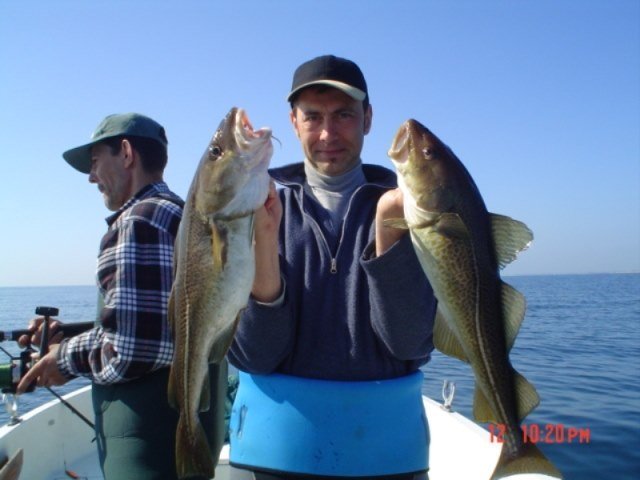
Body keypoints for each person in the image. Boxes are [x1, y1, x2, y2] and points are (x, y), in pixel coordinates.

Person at [227, 55, 437, 480]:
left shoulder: (411, 207)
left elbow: (412, 345)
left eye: (343, 115)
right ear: (293, 122)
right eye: (313, 117)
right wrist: (264, 250)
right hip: (272, 454)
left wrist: (389, 238)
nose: (328, 133)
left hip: (388, 456)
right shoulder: (255, 207)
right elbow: (255, 355)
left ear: (368, 118)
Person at [16, 113, 219, 480]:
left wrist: (62, 359)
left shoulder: (138, 222)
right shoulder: (180, 217)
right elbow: (160, 322)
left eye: (95, 163)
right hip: (186, 445)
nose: (92, 178)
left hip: (148, 454)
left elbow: (135, 347)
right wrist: (71, 335)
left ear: (126, 153)